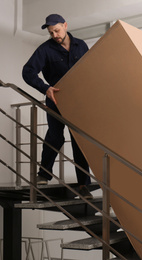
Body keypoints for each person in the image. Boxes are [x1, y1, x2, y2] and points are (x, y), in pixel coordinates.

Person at [22, 14, 93, 199]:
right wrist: (45, 88)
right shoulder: (45, 50)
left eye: (57, 30)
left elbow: (91, 69)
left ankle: (83, 185)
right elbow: (27, 71)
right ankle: (44, 175)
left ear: (65, 25)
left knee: (79, 140)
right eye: (51, 32)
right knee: (55, 137)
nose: (54, 35)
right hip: (56, 100)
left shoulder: (81, 45)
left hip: (78, 102)